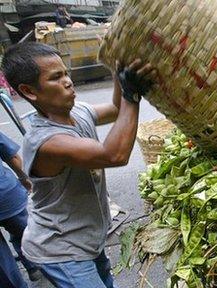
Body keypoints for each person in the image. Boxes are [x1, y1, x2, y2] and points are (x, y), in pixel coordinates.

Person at [1, 42, 156, 287]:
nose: (68, 81)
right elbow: (114, 155)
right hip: (60, 249)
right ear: (29, 91)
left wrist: (120, 71)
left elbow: (117, 109)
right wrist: (131, 94)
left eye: (66, 73)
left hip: (87, 239)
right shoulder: (46, 142)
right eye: (56, 77)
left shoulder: (78, 111)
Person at [0, 132, 42, 288]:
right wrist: (25, 178)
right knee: (26, 232)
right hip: (5, 195)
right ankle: (34, 265)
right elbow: (12, 157)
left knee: (2, 261)